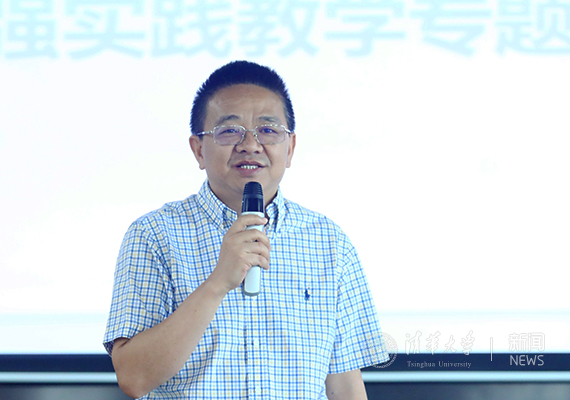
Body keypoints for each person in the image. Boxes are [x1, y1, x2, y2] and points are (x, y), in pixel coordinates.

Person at [103, 60, 388, 399]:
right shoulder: (154, 235)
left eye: (268, 130)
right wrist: (217, 283)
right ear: (198, 150)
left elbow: (345, 385)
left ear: (290, 148)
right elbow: (133, 377)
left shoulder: (329, 242)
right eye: (229, 131)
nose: (250, 144)